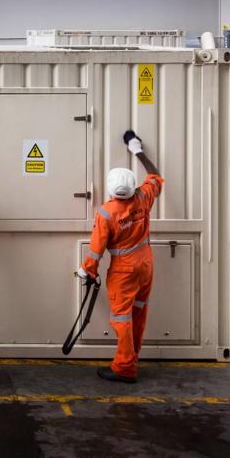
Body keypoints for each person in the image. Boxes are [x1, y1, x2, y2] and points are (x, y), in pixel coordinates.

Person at [78, 131, 164, 383]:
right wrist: (136, 148)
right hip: (146, 265)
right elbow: (155, 176)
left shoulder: (106, 213)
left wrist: (88, 271)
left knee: (121, 318)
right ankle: (132, 357)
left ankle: (125, 367)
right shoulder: (143, 197)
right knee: (138, 313)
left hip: (123, 272)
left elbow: (96, 249)